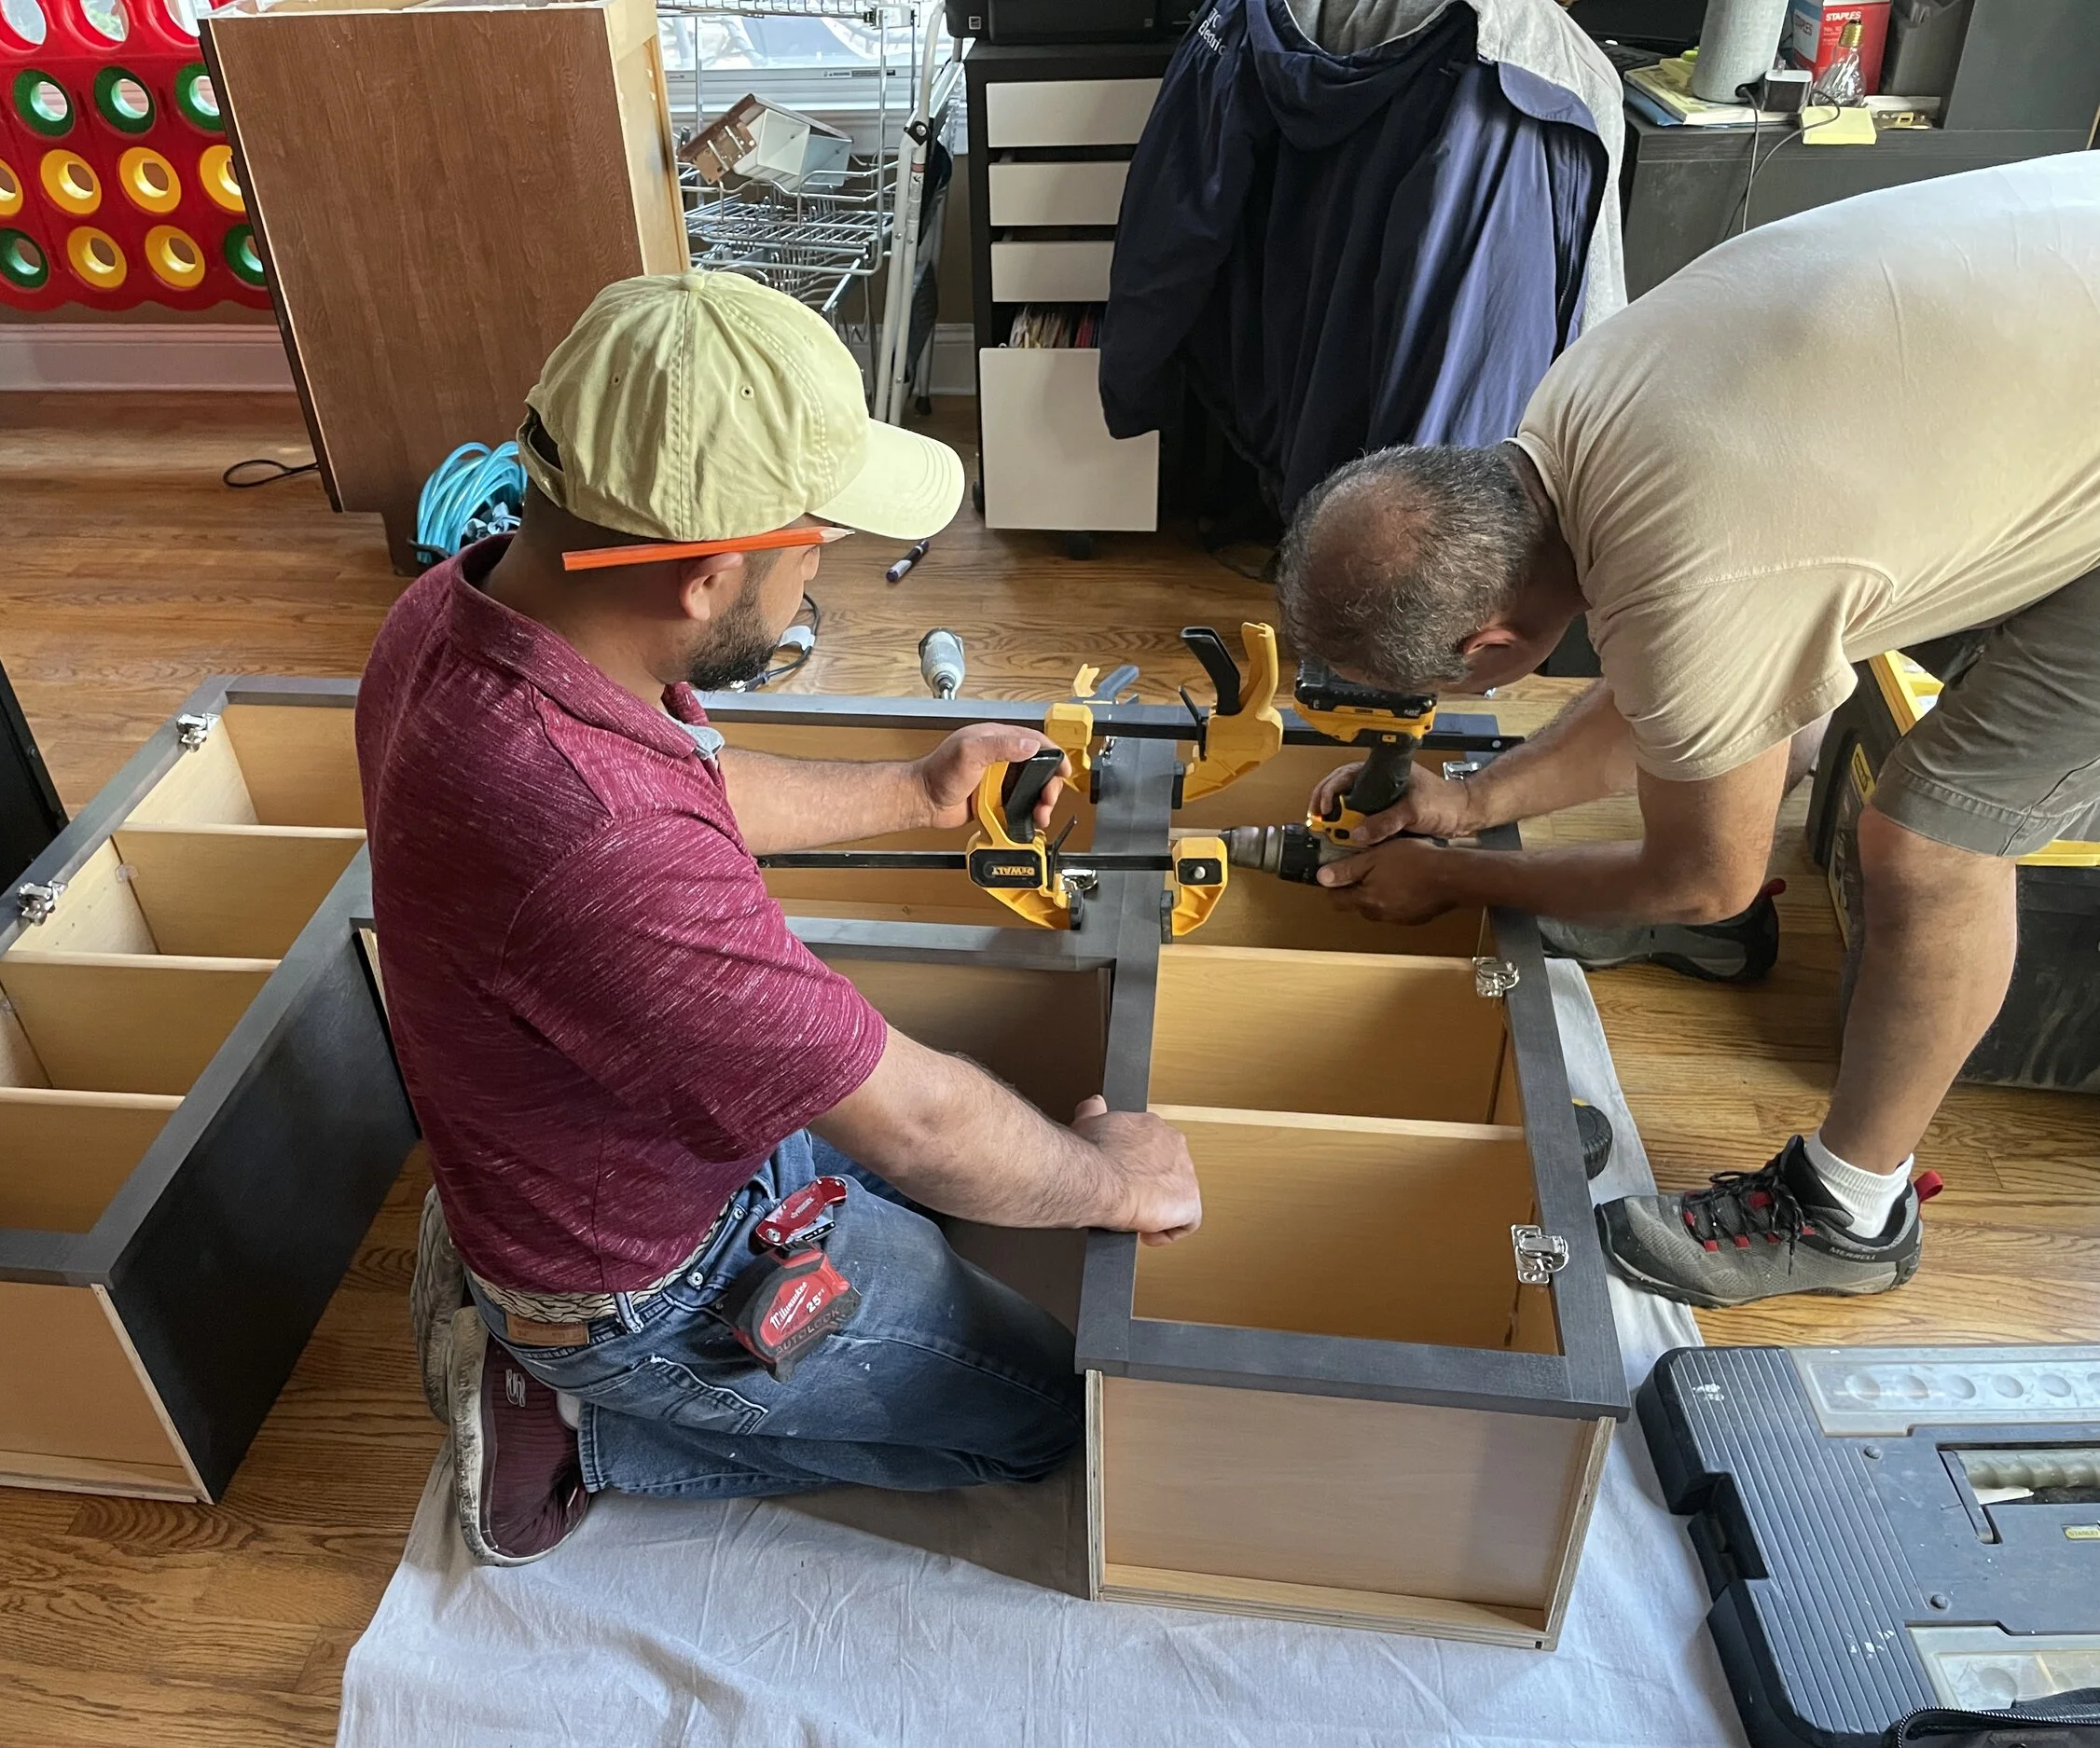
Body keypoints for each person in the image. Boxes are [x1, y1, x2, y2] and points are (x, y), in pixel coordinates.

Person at [356, 270, 1201, 1565]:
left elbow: (688, 784)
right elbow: (916, 1117)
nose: (821, 576)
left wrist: (919, 792)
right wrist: (1115, 1181)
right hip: (641, 1279)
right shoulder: (601, 844)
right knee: (1037, 1415)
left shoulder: (468, 608)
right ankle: (574, 1422)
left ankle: (538, 1307)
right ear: (701, 577)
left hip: (602, 1148)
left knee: (969, 1174)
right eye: (814, 542)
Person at [1270, 155, 2100, 1311]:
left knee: (1930, 844)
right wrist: (1466, 803)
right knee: (1767, 678)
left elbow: (1704, 866)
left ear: (1488, 647)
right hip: (2052, 303)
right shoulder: (1574, 411)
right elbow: (1702, 684)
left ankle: (1851, 1212)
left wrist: (1453, 878)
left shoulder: (1692, 576)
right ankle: (1728, 952)